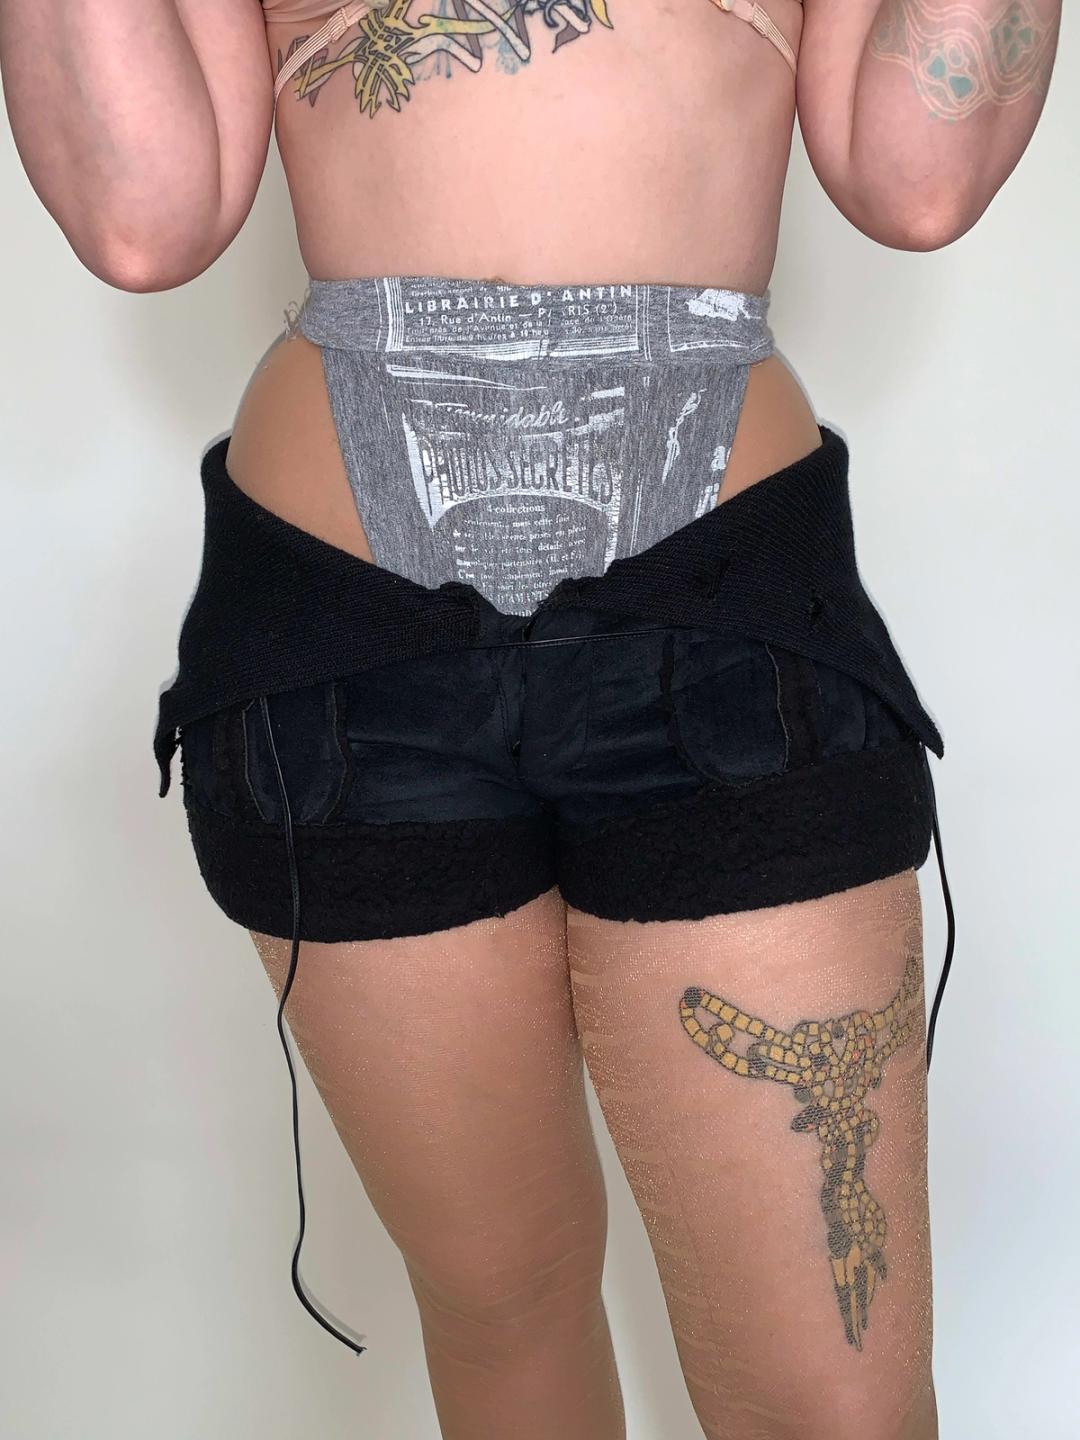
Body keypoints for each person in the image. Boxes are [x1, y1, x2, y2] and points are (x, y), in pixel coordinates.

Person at [1, 2, 1060, 1436]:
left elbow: (917, 182)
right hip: (351, 647)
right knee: (505, 1315)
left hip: (717, 610)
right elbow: (144, 221)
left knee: (839, 1409)